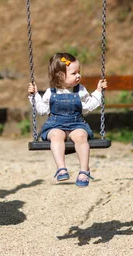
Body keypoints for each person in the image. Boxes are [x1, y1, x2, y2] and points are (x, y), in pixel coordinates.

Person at [27, 52, 107, 187]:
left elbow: (87, 106)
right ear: (59, 76)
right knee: (56, 135)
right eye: (74, 73)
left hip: (76, 124)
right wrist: (34, 95)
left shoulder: (80, 90)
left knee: (81, 135)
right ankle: (61, 168)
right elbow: (41, 110)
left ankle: (84, 170)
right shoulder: (51, 92)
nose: (78, 75)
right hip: (55, 125)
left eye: (79, 72)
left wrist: (98, 91)